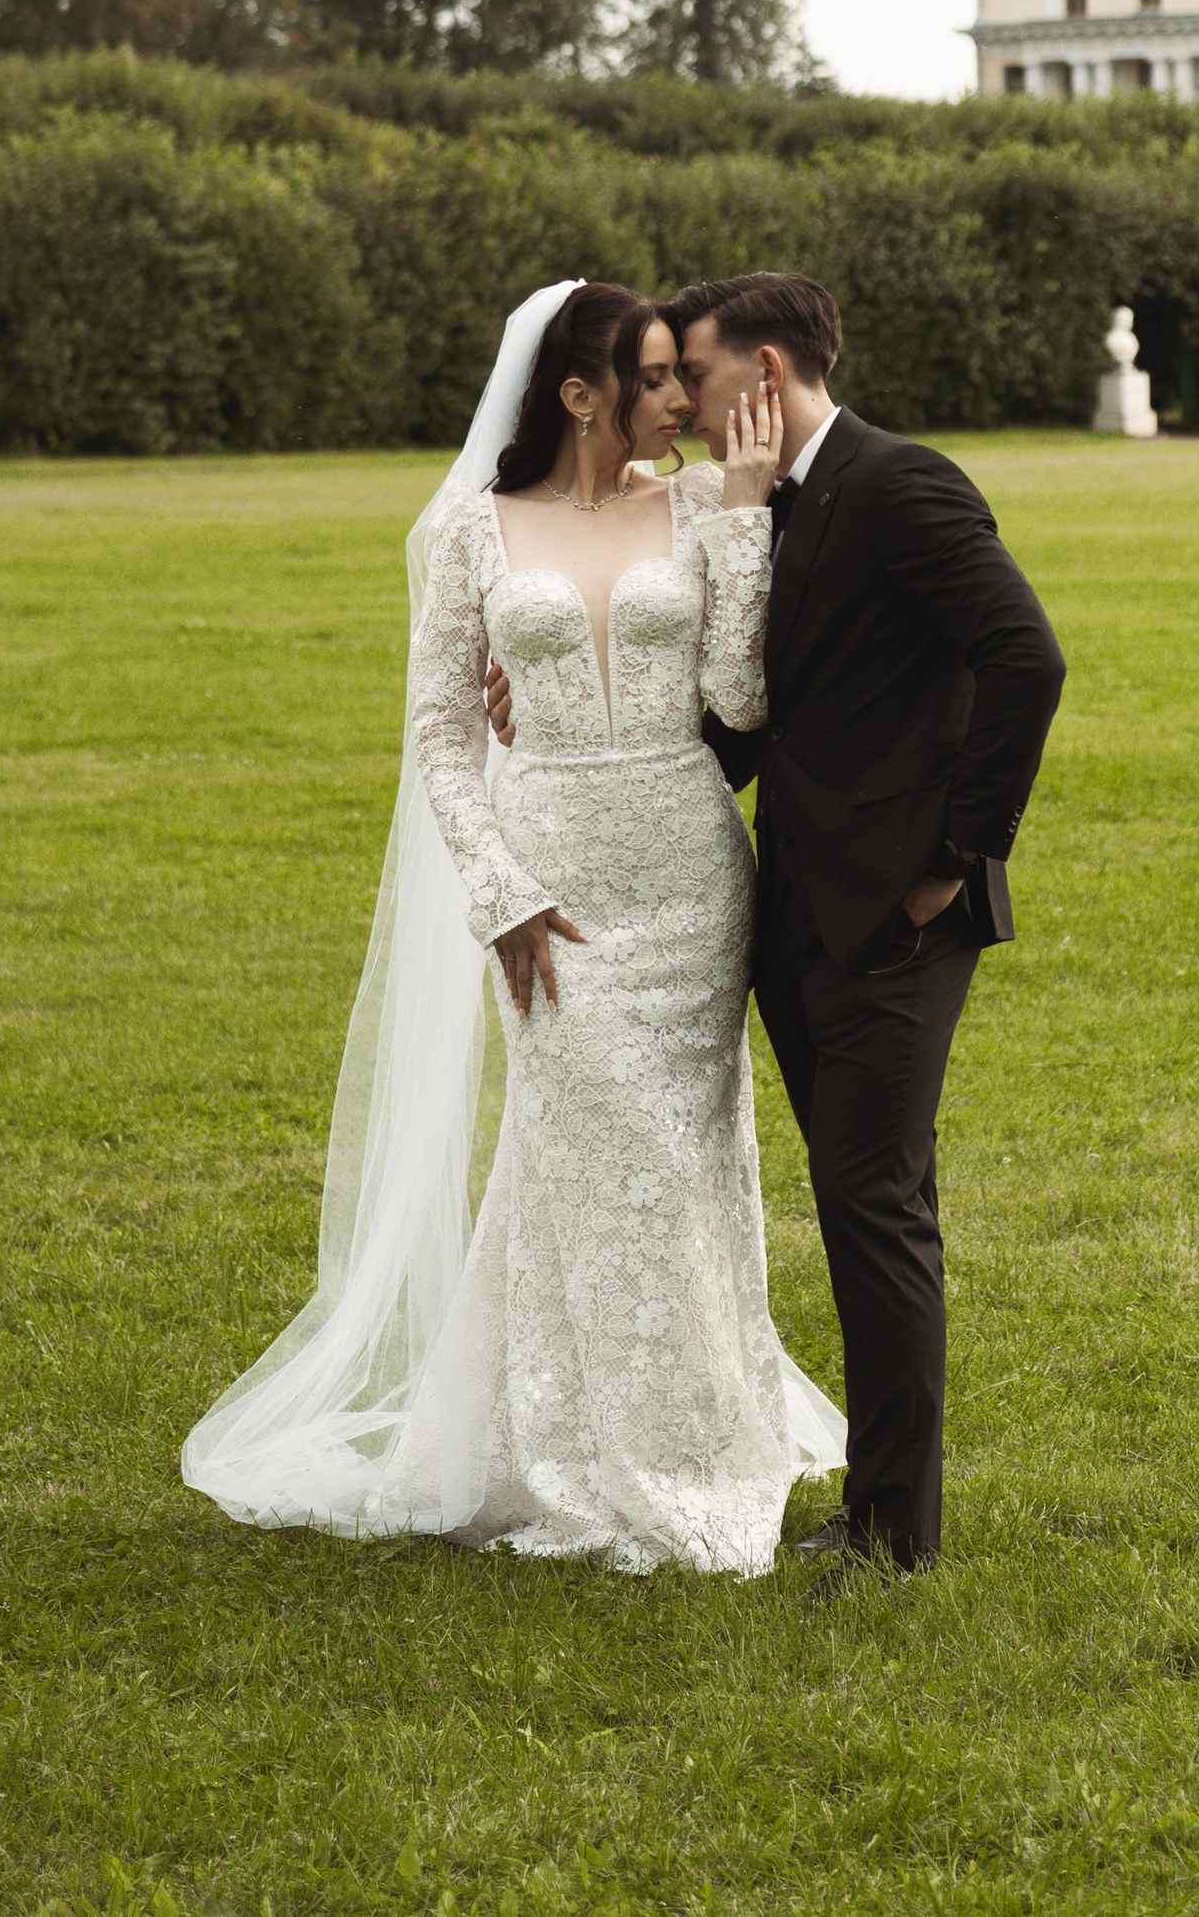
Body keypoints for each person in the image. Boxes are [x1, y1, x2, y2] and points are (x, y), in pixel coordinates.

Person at [181, 279, 843, 1574]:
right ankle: (566, 1439)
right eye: (655, 377)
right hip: (549, 883)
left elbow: (740, 699)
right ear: (579, 394)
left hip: (688, 876)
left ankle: (694, 1440)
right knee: (583, 1156)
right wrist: (500, 892)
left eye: (682, 373)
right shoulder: (474, 533)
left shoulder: (704, 506)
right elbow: (440, 731)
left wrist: (746, 517)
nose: (682, 398)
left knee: (682, 1168)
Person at [489, 270, 1064, 1574]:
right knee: (853, 1202)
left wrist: (955, 861)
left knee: (875, 1205)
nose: (681, 401)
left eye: (691, 372)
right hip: (788, 913)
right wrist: (542, 694)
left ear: (762, 372)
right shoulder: (750, 502)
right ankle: (865, 1505)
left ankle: (894, 1533)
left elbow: (1026, 658)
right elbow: (754, 702)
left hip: (899, 918)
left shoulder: (902, 485)